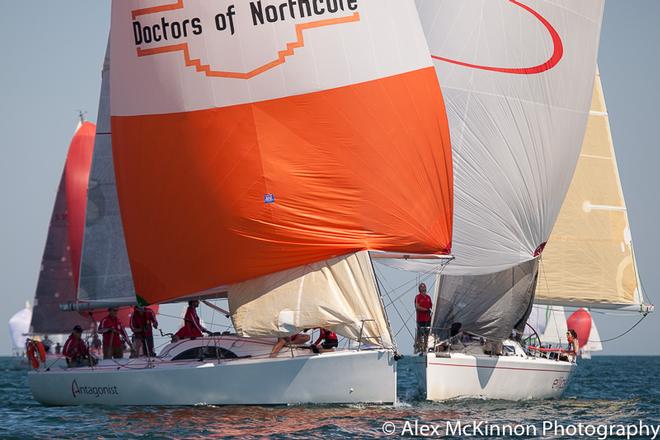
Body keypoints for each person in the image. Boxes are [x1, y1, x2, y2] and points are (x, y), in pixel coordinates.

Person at [414, 282, 433, 353]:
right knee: (420, 334)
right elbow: (417, 307)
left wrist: (430, 311)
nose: (423, 288)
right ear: (419, 289)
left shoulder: (428, 297)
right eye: (422, 287)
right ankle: (419, 348)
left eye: (424, 286)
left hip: (428, 319)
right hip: (420, 319)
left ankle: (425, 347)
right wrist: (426, 310)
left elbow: (431, 306)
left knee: (426, 334)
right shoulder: (418, 297)